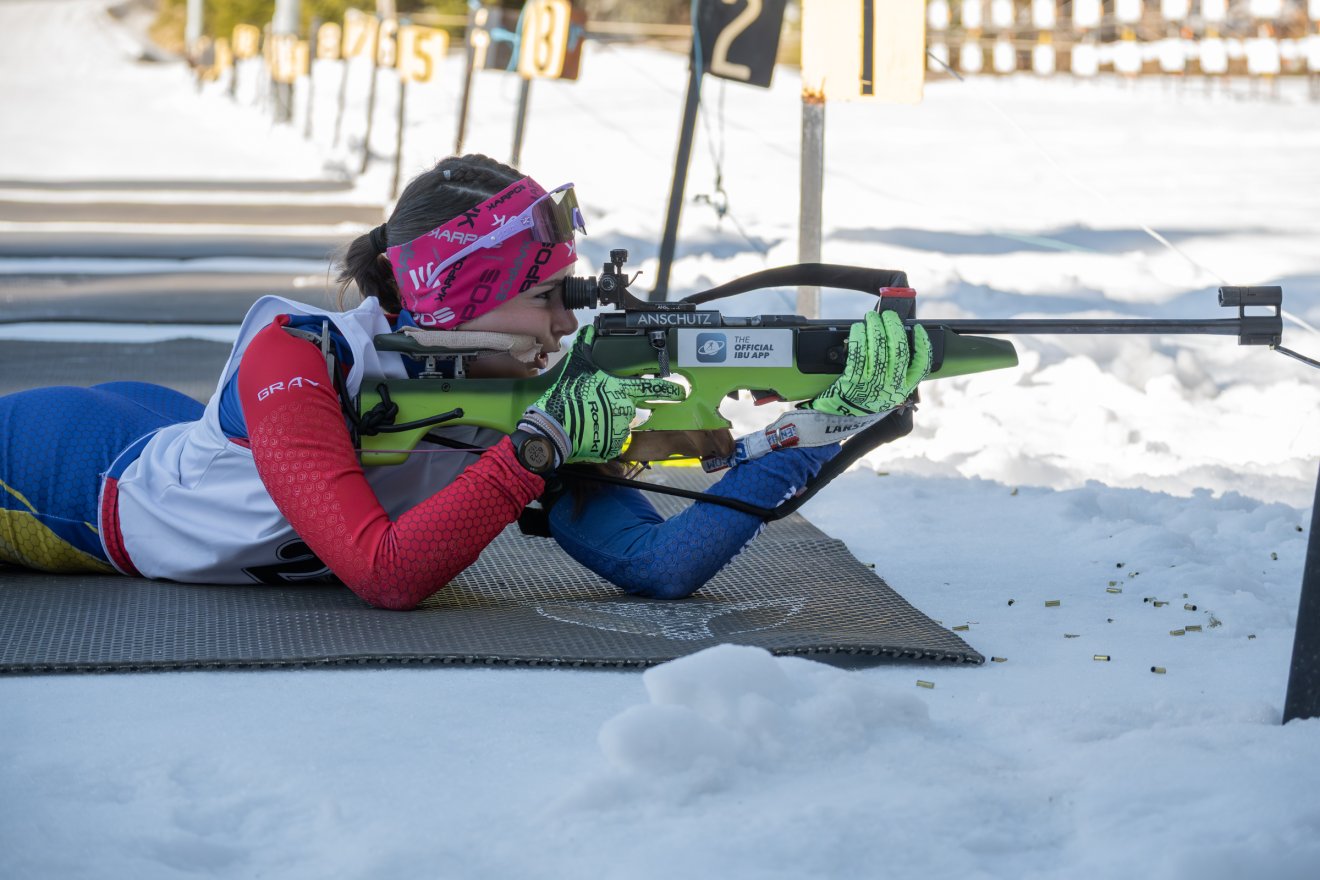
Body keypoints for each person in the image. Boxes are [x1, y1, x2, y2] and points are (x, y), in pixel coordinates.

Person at [0, 154, 930, 609]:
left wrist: (823, 427)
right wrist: (538, 450)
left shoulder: (521, 400)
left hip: (177, 443)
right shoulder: (297, 354)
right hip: (64, 479)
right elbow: (386, 573)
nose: (567, 325)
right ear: (456, 301)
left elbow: (657, 566)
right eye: (546, 298)